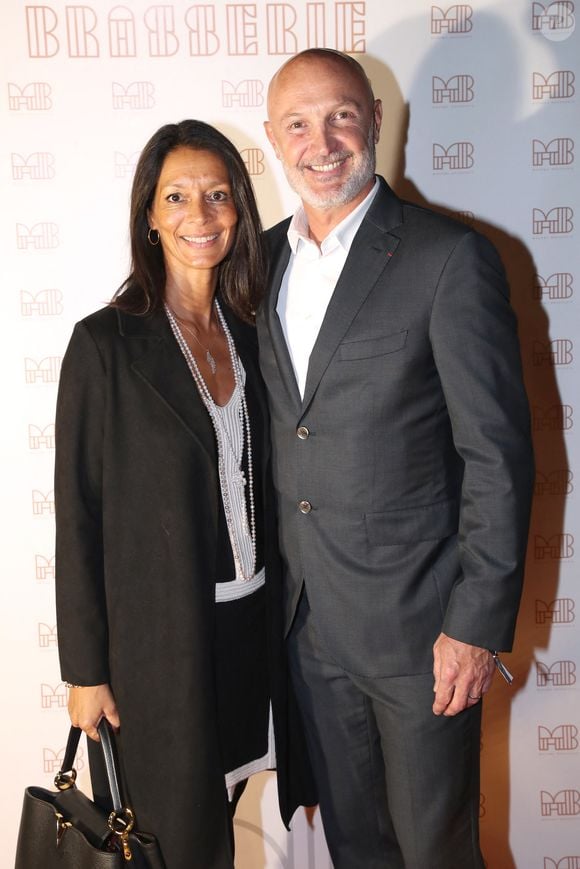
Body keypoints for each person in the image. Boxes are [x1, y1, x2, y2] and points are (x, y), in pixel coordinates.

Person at [257, 48, 535, 868]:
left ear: (376, 119)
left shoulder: (448, 258)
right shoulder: (260, 262)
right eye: (298, 124)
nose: (323, 141)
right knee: (356, 849)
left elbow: (497, 456)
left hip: (423, 637)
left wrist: (476, 625)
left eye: (341, 114)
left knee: (436, 851)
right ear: (274, 141)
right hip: (310, 633)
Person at [54, 119, 315, 869]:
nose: (199, 215)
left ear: (238, 208)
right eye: (177, 196)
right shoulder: (105, 344)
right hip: (162, 652)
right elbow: (78, 513)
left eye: (217, 194)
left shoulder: (255, 326)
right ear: (149, 216)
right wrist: (84, 670)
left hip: (255, 633)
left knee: (229, 821)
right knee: (177, 846)